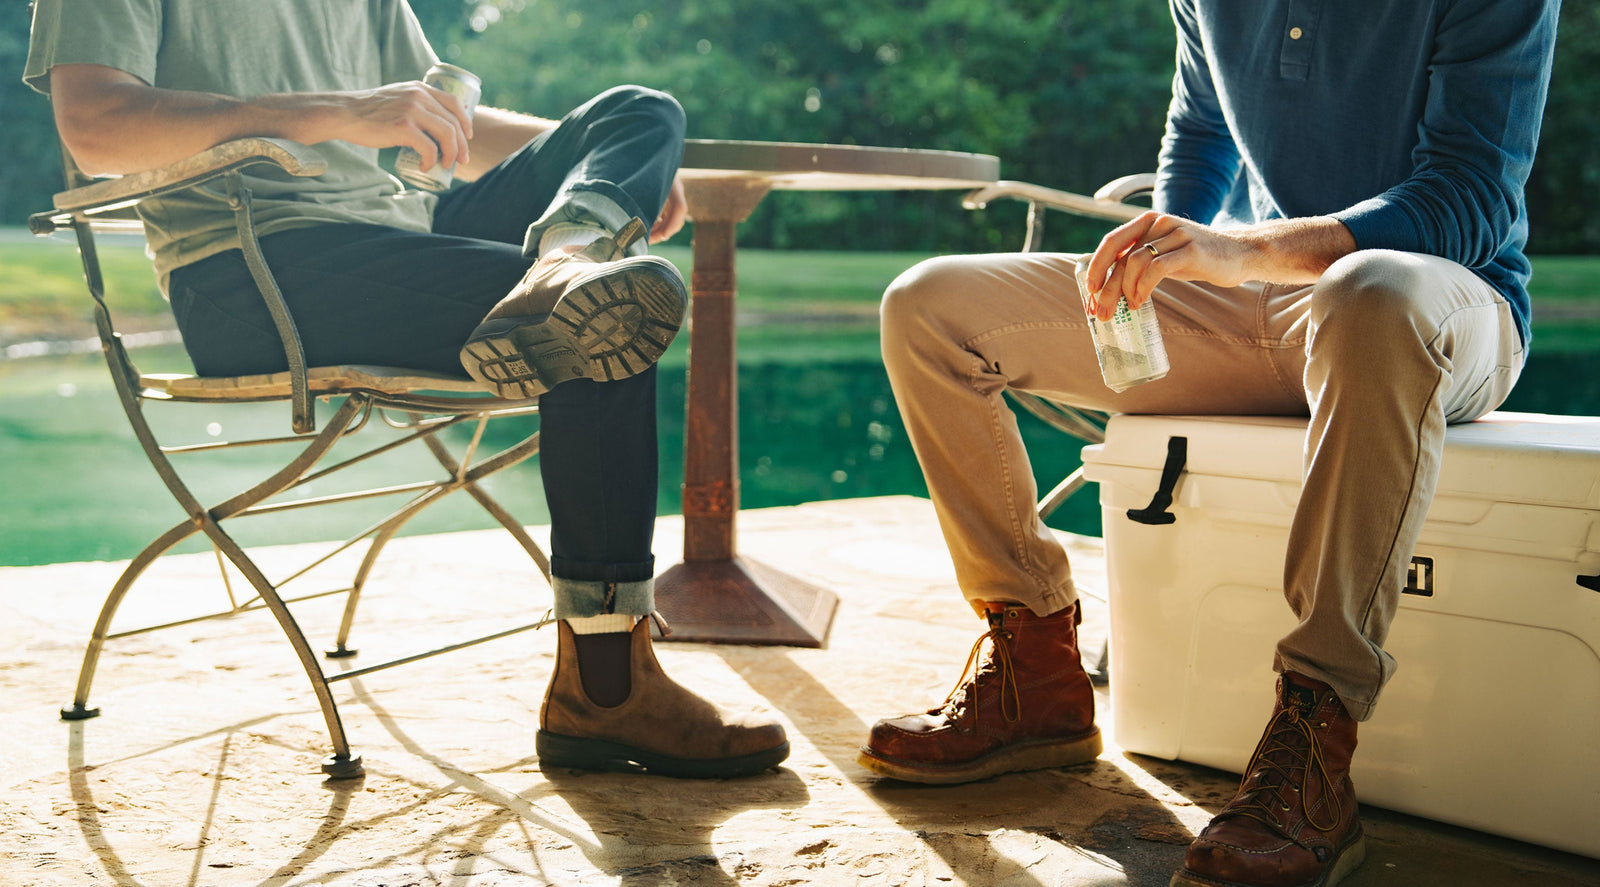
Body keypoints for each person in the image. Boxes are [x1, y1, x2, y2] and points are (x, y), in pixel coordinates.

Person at [863, 1, 1560, 885]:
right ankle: (1032, 672)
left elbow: (1468, 198)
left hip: (1440, 304)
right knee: (929, 308)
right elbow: (1200, 131)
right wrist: (1160, 252)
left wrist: (1237, 250)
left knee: (1369, 293)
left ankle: (1316, 729)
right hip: (1260, 300)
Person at [24, 0, 789, 779]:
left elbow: (444, 123)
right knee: (600, 311)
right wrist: (339, 112)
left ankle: (574, 242)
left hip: (405, 232)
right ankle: (607, 686)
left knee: (638, 116)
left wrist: (612, 178)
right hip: (251, 268)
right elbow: (96, 125)